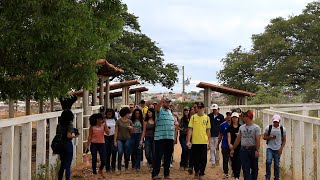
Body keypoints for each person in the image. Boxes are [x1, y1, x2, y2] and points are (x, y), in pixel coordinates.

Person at [230, 110, 261, 180]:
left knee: (254, 169)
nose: (242, 118)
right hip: (244, 150)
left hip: (253, 149)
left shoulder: (256, 128)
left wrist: (257, 150)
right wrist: (233, 149)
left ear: (248, 117)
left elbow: (258, 140)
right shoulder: (241, 128)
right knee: (245, 169)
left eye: (244, 116)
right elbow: (238, 139)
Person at [152, 97, 175, 180]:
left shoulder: (170, 112)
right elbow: (157, 108)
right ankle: (155, 174)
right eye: (166, 102)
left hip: (169, 137)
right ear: (163, 103)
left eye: (169, 102)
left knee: (168, 157)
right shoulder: (159, 110)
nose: (168, 104)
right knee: (158, 156)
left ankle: (166, 174)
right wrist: (161, 101)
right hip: (160, 138)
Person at [186, 102, 211, 180]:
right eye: (198, 107)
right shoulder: (193, 117)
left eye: (200, 107)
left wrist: (209, 142)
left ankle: (202, 173)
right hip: (195, 141)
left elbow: (208, 130)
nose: (199, 109)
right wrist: (188, 141)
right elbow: (190, 129)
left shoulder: (207, 118)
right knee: (195, 158)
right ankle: (196, 171)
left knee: (203, 159)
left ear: (203, 108)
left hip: (203, 141)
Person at [86, 113, 110, 179]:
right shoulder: (92, 127)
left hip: (102, 144)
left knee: (103, 160)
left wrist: (106, 125)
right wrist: (87, 145)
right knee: (94, 159)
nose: (102, 120)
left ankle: (100, 170)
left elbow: (108, 133)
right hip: (94, 144)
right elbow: (90, 136)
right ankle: (94, 174)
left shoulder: (103, 125)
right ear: (97, 120)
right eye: (101, 119)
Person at [263, 114, 286, 180]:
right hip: (270, 148)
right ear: (273, 121)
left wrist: (281, 149)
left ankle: (276, 177)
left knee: (276, 165)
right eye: (274, 122)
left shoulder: (282, 129)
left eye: (277, 122)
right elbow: (264, 137)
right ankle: (267, 177)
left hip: (277, 149)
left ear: (279, 121)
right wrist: (270, 137)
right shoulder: (269, 128)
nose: (276, 123)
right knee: (268, 161)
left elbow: (284, 140)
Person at [57, 109, 79, 180]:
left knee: (62, 165)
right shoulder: (70, 125)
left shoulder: (59, 125)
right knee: (68, 165)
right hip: (67, 144)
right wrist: (75, 136)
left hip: (61, 144)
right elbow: (68, 136)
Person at [114, 107, 133, 175]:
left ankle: (126, 168)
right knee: (119, 153)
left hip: (127, 139)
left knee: (127, 153)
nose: (129, 115)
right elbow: (116, 132)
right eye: (128, 113)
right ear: (125, 113)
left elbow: (132, 132)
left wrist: (131, 128)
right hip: (119, 139)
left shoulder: (130, 121)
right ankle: (119, 169)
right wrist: (115, 141)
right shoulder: (118, 121)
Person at [217, 111, 232, 178]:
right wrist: (218, 144)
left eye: (230, 115)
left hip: (233, 145)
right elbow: (220, 135)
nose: (229, 116)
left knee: (233, 159)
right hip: (225, 144)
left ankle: (233, 171)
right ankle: (226, 172)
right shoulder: (223, 125)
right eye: (228, 115)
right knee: (225, 159)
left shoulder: (236, 125)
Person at [227, 112, 241, 180]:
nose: (235, 119)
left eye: (236, 117)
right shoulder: (229, 127)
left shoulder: (241, 127)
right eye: (233, 117)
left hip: (239, 146)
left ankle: (237, 176)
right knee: (233, 161)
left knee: (238, 161)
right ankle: (234, 173)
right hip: (231, 146)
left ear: (238, 118)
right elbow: (228, 136)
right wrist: (229, 144)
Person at [104, 108, 117, 172]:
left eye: (110, 112)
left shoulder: (115, 119)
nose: (109, 113)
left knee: (114, 152)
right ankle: (107, 168)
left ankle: (113, 166)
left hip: (113, 137)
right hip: (105, 137)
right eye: (108, 112)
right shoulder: (104, 120)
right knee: (107, 153)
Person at [187, 106, 196, 174]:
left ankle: (194, 167)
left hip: (197, 137)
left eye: (194, 109)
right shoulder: (188, 118)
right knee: (190, 152)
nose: (193, 110)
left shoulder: (198, 117)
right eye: (192, 109)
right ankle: (190, 166)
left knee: (195, 153)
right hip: (189, 137)